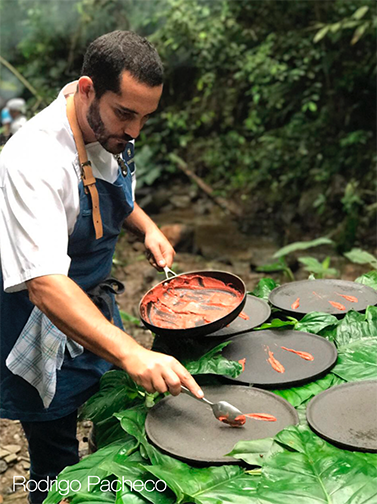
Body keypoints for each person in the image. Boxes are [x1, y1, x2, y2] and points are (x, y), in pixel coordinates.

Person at [0, 31, 203, 504]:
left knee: (110, 429)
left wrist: (147, 227)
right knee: (55, 464)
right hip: (41, 325)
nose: (134, 131)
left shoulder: (106, 129)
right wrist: (134, 354)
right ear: (87, 88)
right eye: (126, 114)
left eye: (145, 117)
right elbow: (46, 286)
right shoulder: (32, 160)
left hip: (94, 305)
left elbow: (109, 197)